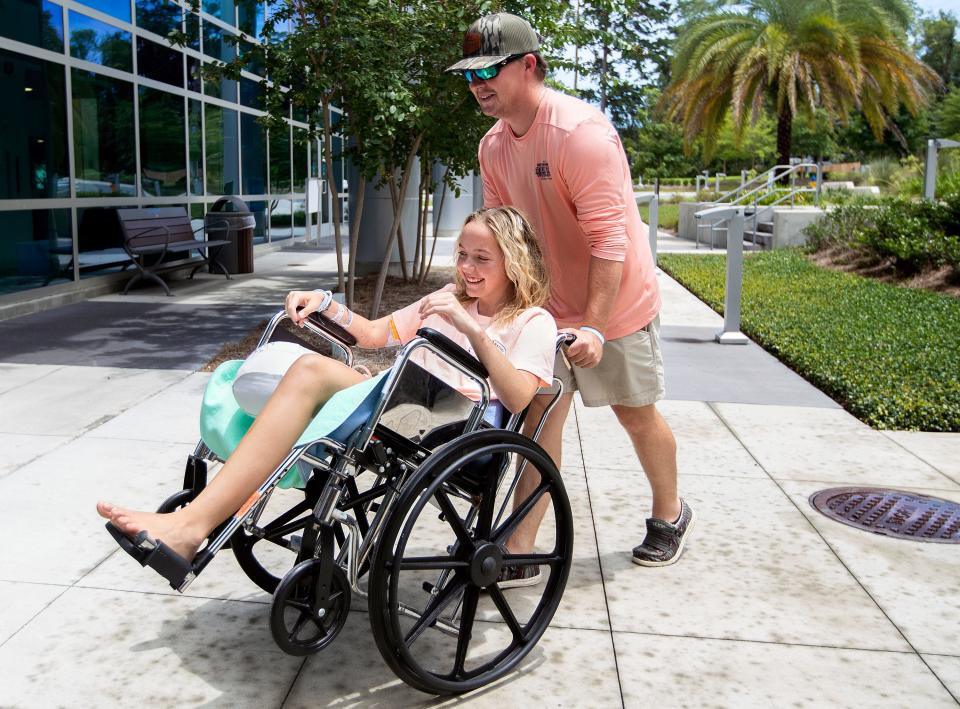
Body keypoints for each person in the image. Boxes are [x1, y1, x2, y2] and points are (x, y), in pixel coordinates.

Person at [97, 206, 558, 567]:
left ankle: (192, 524)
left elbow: (520, 398)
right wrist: (325, 305)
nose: (467, 267)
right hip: (403, 403)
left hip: (456, 425)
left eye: (482, 258)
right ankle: (194, 520)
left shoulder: (533, 321)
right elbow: (376, 335)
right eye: (462, 254)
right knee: (282, 375)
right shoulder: (445, 299)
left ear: (513, 262)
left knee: (310, 374)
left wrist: (473, 329)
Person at [445, 13, 695, 578]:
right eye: (469, 76)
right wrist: (486, 304)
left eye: (488, 70)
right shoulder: (493, 146)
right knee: (538, 421)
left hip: (617, 306)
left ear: (528, 65)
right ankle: (522, 546)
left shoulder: (579, 135)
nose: (477, 85)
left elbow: (611, 244)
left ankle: (669, 513)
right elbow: (503, 236)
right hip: (548, 310)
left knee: (635, 414)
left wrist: (597, 327)